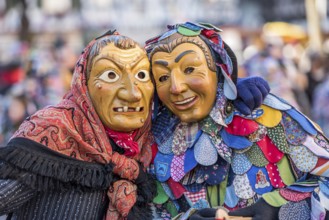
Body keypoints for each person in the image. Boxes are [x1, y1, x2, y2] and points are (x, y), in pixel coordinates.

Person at [0, 30, 269, 220]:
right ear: (84, 86)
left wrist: (224, 94)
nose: (132, 92)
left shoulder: (143, 143)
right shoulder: (53, 133)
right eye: (110, 74)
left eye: (142, 75)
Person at [146, 22, 329, 220]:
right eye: (163, 78)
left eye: (190, 69)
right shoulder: (154, 140)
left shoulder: (269, 117)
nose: (176, 87)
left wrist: (278, 206)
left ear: (217, 69)